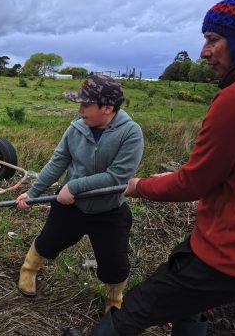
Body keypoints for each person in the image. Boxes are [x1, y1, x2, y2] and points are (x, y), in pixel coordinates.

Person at [64, 0, 235, 336]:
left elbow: (195, 182)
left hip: (230, 248)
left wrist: (139, 186)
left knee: (138, 308)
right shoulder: (76, 129)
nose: (204, 51)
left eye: (213, 39)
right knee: (192, 307)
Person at [16, 74, 144, 313]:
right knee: (48, 241)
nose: (80, 109)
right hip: (71, 206)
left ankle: (114, 300)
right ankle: (29, 269)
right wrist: (32, 193)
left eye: (86, 105)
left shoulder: (130, 133)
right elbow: (58, 162)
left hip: (109, 209)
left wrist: (74, 187)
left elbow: (117, 177)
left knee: (115, 264)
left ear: (107, 108)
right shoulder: (76, 128)